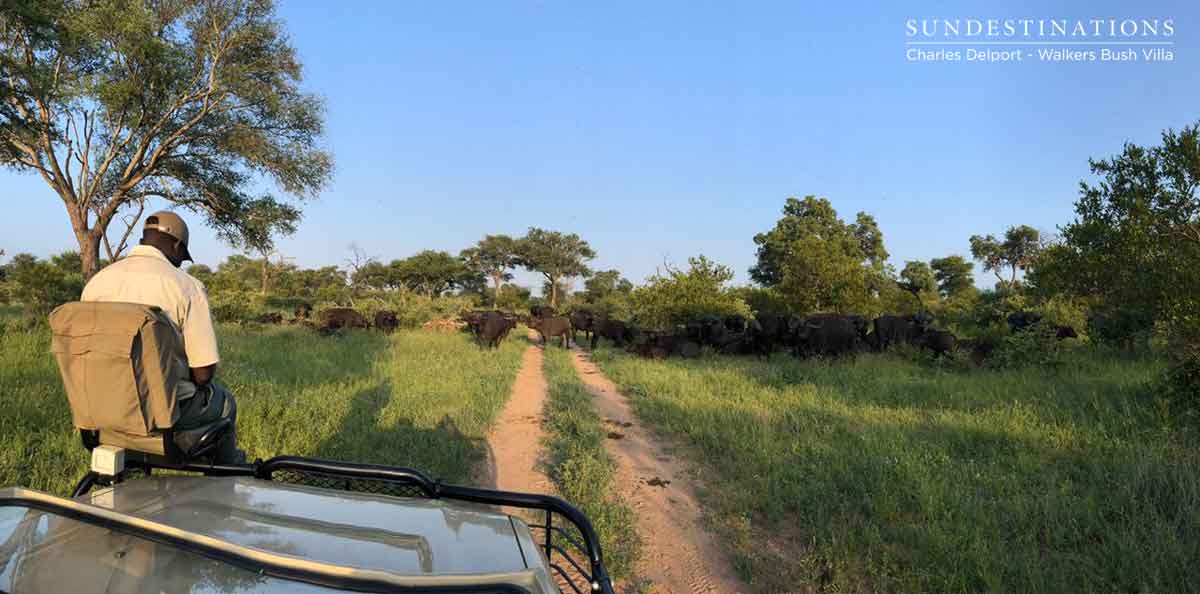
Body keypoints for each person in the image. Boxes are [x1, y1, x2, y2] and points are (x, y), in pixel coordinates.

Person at [81, 211, 244, 463]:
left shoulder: (97, 283)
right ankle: (221, 481)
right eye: (182, 256)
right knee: (225, 404)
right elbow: (203, 373)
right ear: (177, 245)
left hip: (101, 411)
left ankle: (130, 469)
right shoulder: (186, 286)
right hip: (164, 416)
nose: (180, 262)